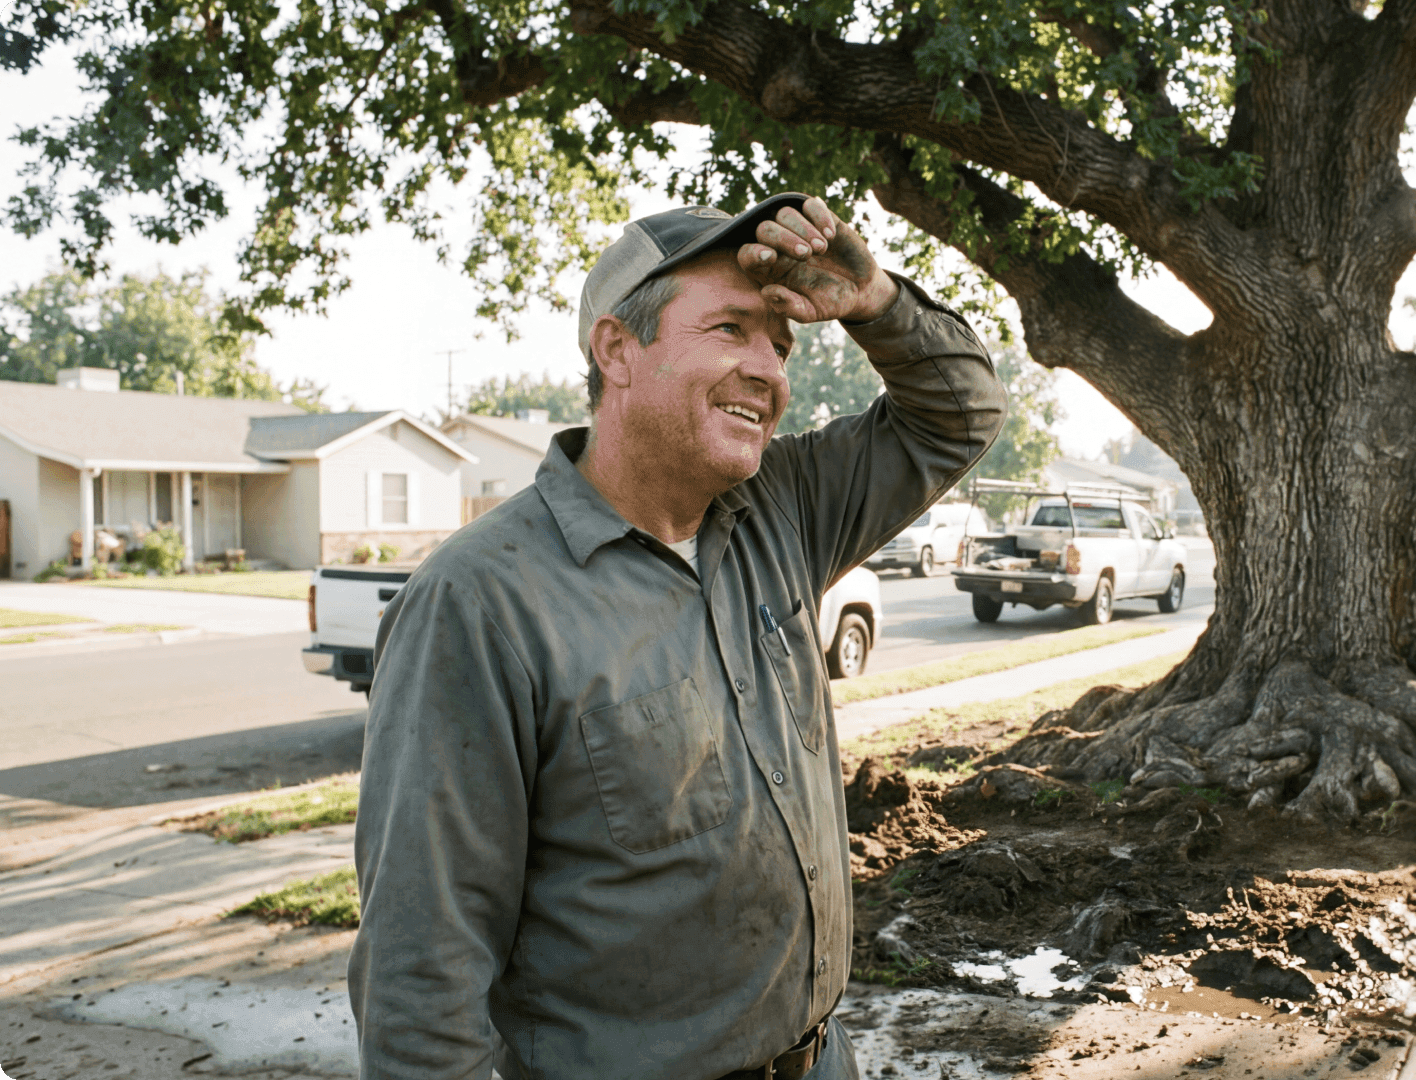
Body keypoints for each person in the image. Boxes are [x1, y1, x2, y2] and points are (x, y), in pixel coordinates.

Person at [348, 193, 1008, 1079]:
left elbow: (960, 413)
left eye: (781, 345)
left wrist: (877, 300)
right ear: (617, 350)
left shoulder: (783, 509)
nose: (769, 373)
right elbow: (422, 968)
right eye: (730, 329)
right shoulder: (480, 599)